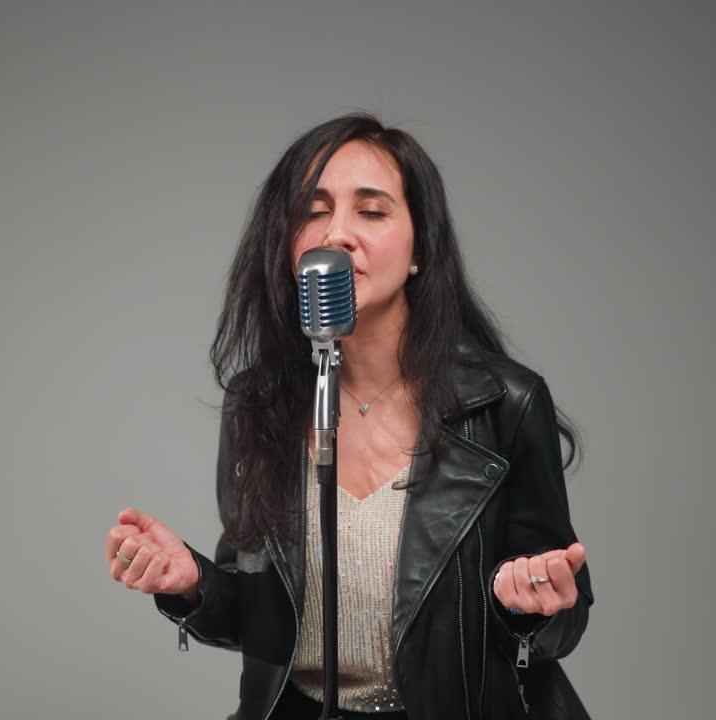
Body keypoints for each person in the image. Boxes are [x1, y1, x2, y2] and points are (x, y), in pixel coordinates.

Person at [104, 113, 593, 720]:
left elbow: (561, 622)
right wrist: (192, 583)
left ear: (421, 245)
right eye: (314, 211)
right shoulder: (259, 403)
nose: (337, 233)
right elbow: (258, 620)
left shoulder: (505, 404)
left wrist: (532, 605)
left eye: (372, 210)